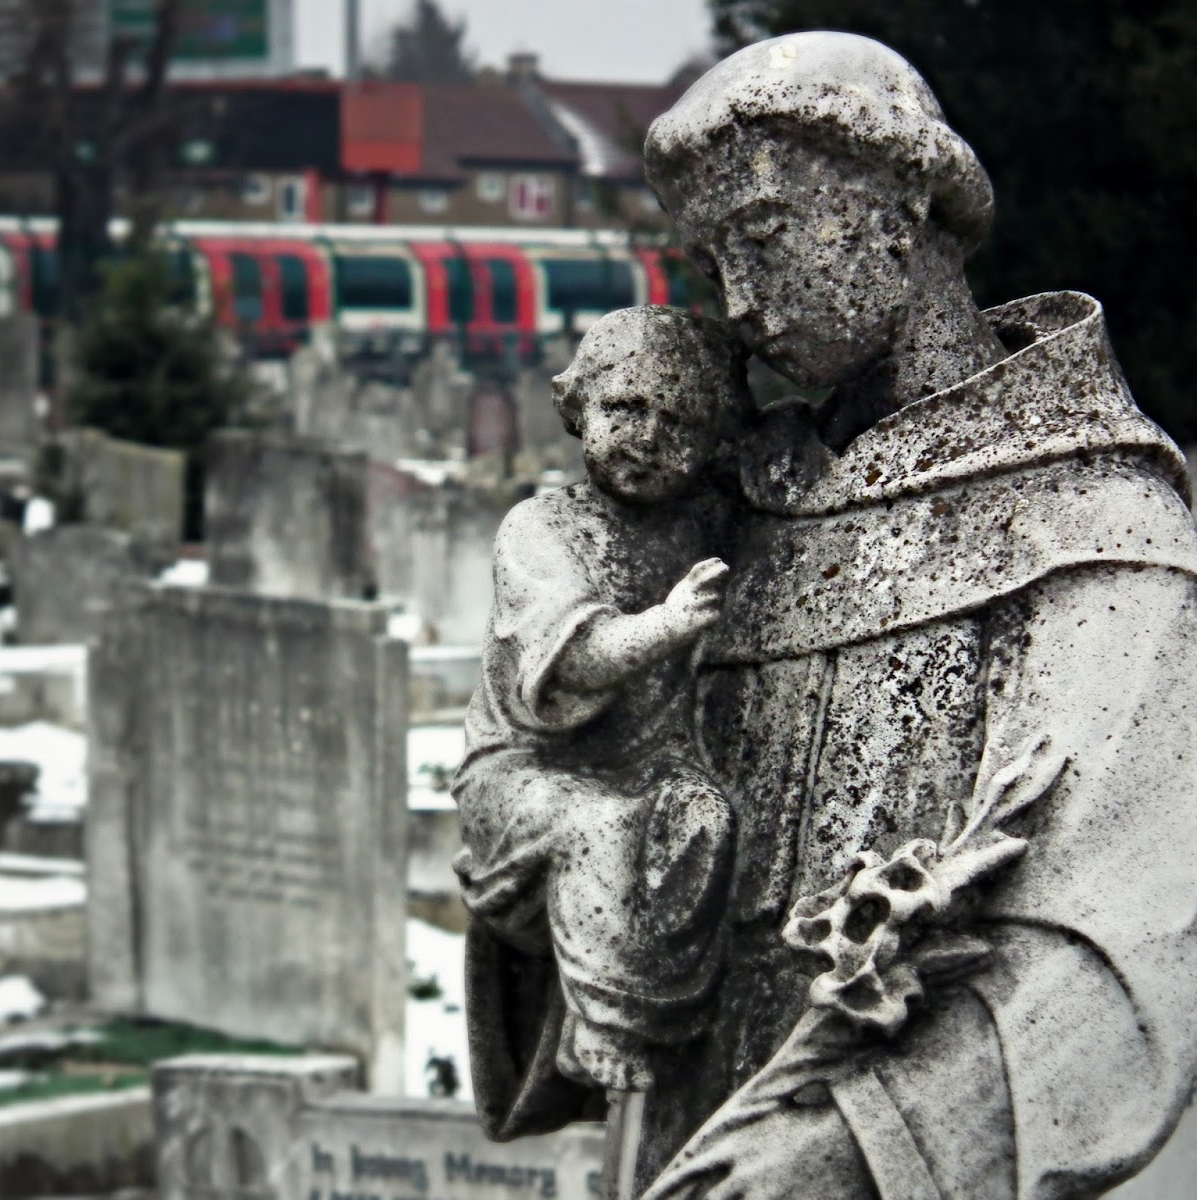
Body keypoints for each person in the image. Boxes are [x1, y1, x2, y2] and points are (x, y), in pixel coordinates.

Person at [631, 32, 1197, 1199]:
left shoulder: (1089, 521)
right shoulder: (746, 515)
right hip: (699, 1136)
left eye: (765, 237)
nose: (737, 303)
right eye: (713, 259)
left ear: (902, 199)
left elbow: (1119, 945)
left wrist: (851, 1150)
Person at [453, 305, 748, 1130]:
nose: (650, 436)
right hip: (527, 781)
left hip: (654, 769)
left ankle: (659, 1016)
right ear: (577, 406)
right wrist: (668, 622)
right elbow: (576, 659)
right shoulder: (543, 528)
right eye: (626, 409)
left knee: (707, 820)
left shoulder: (700, 525)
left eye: (680, 419)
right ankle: (605, 1025)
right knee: (596, 825)